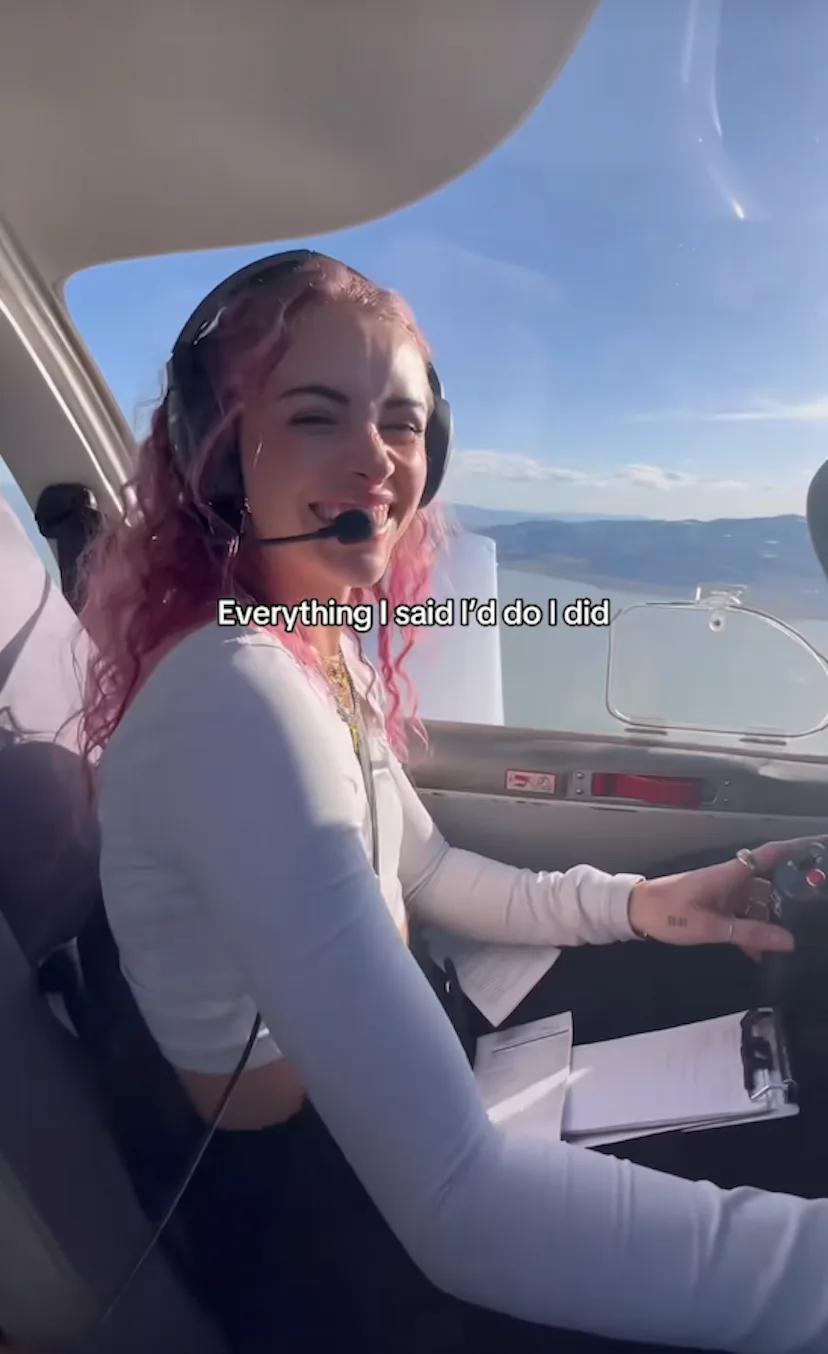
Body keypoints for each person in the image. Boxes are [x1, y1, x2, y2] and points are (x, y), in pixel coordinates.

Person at [76, 250, 828, 1354]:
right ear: (221, 453)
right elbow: (458, 1210)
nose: (378, 457)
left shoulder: (309, 648)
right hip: (315, 1217)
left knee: (732, 984)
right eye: (317, 415)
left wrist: (640, 904)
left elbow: (425, 871)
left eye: (404, 423)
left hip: (392, 1098)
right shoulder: (234, 698)